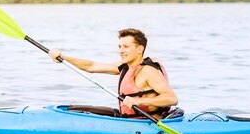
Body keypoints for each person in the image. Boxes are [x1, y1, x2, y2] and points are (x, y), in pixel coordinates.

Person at [49, 28, 178, 119]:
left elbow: (172, 99)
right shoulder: (125, 67)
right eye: (120, 46)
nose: (121, 51)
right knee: (79, 110)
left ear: (140, 49)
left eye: (126, 47)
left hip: (146, 122)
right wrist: (63, 58)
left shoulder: (148, 71)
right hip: (128, 119)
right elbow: (91, 66)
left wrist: (137, 102)